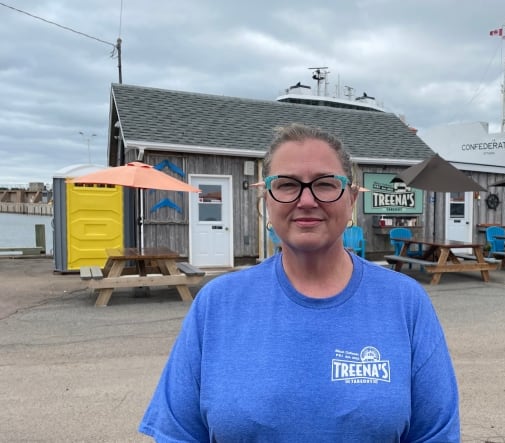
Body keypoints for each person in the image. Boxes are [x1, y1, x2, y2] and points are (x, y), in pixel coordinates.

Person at [139, 123, 460, 441]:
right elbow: (178, 435)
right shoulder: (217, 304)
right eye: (288, 185)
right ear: (267, 199)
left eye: (324, 184)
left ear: (350, 198)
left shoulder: (404, 303)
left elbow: (435, 434)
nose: (306, 200)